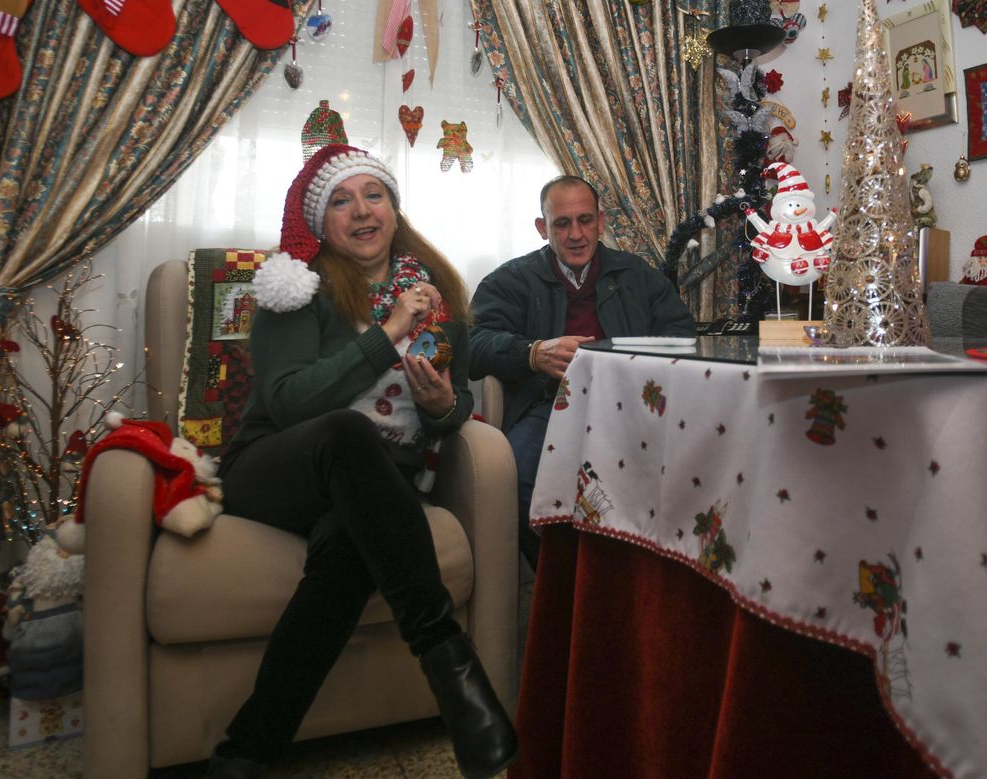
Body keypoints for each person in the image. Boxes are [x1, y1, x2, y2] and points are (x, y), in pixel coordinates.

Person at [207, 144, 517, 779]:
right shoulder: (298, 291)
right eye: (341, 201)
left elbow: (452, 412)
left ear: (395, 210)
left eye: (373, 195)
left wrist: (441, 405)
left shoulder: (435, 294)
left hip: (373, 488)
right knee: (350, 432)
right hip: (276, 467)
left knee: (349, 552)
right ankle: (448, 660)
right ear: (323, 224)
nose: (361, 211)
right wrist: (385, 334)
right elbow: (291, 405)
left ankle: (248, 751)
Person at [469, 176, 695, 569]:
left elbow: (682, 334)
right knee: (518, 477)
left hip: (633, 406)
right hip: (547, 406)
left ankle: (634, 583)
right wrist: (533, 353)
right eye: (562, 223)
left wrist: (628, 362)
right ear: (543, 227)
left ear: (601, 222)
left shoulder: (637, 274)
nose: (576, 234)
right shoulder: (512, 279)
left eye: (585, 221)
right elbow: (472, 345)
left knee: (685, 470)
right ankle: (562, 587)